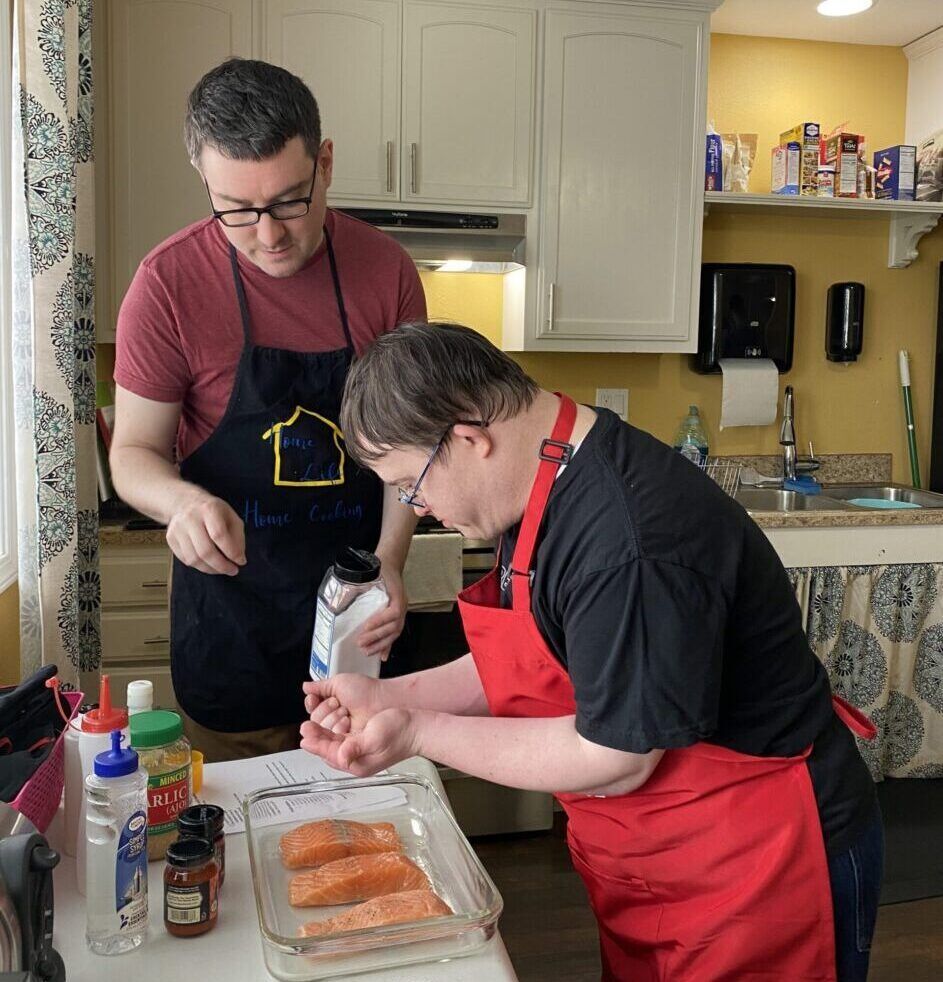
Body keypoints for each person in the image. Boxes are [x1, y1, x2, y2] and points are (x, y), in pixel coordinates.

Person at [300, 323, 884, 982]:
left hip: (762, 863)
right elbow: (533, 659)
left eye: (412, 485)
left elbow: (615, 758)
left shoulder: (628, 541)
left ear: (469, 438)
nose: (419, 507)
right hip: (660, 864)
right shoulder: (540, 477)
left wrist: (416, 731)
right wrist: (384, 696)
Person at [109, 59, 425, 762]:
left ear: (326, 164)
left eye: (290, 201)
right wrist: (181, 505)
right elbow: (132, 454)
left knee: (364, 843)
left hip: (357, 626)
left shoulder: (387, 272)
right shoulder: (166, 285)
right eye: (237, 210)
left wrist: (392, 559)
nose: (268, 234)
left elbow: (413, 448)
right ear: (206, 183)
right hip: (233, 634)